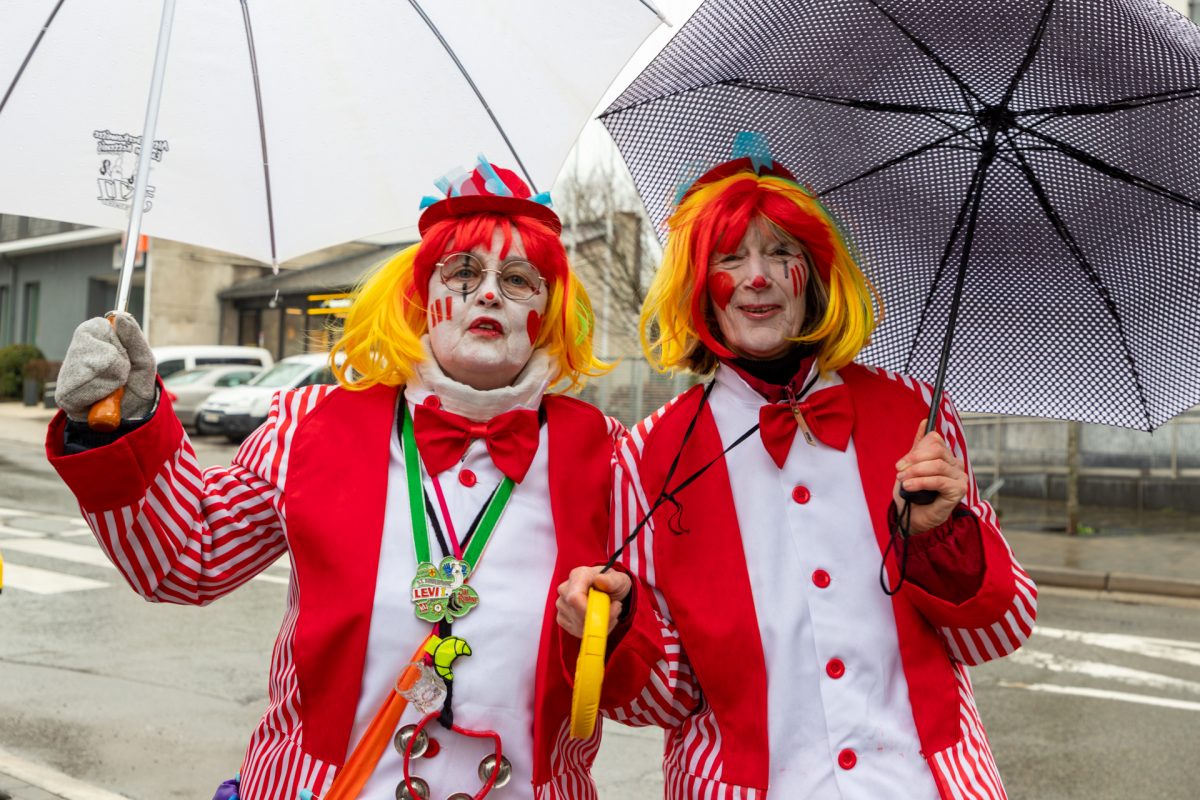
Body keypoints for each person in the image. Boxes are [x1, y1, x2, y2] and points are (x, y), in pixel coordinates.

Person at [49, 157, 623, 800]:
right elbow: (186, 557)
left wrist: (610, 630)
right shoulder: (311, 428)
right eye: (463, 272)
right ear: (416, 297)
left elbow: (661, 677)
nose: (488, 293)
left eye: (519, 279)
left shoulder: (610, 459)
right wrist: (117, 425)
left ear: (551, 309)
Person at [558, 135, 1037, 799]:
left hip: (921, 780)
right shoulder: (647, 455)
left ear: (814, 275)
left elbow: (998, 630)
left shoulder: (916, 414)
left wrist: (938, 537)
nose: (756, 277)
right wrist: (614, 629)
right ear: (699, 284)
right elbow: (659, 703)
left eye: (781, 253)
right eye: (731, 256)